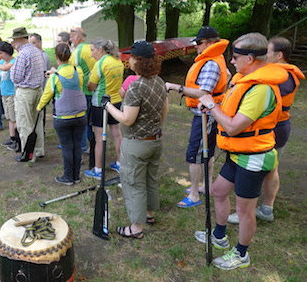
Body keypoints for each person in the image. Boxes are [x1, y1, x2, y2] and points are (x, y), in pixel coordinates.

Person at [194, 32, 288, 270]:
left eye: (235, 57)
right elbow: (228, 111)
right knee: (218, 190)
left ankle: (241, 253)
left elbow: (234, 127)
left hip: (254, 157)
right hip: (238, 154)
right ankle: (219, 236)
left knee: (245, 210)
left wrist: (211, 105)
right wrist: (212, 107)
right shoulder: (243, 81)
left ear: (250, 58)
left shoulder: (261, 90)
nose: (232, 62)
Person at [227, 36, 305, 224]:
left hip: (274, 128)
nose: (263, 55)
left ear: (278, 55)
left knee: (256, 169)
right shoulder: (274, 73)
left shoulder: (281, 77)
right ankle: (264, 209)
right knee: (270, 169)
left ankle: (252, 209)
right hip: (275, 127)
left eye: (267, 51)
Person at [104, 41, 168, 239]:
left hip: (136, 143)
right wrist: (155, 128)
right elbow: (164, 110)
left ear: (138, 61)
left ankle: (136, 228)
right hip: (155, 140)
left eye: (130, 56)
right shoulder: (159, 81)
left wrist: (108, 106)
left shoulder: (136, 87)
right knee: (150, 178)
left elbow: (127, 119)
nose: (128, 59)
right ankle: (149, 214)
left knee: (133, 183)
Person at [165, 26, 229, 208]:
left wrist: (174, 87)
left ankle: (194, 194)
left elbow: (203, 92)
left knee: (194, 155)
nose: (197, 47)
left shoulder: (211, 63)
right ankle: (205, 186)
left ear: (210, 43)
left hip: (206, 116)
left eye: (199, 44)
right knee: (206, 152)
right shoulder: (216, 59)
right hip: (208, 114)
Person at [37, 43, 86, 185]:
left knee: (66, 146)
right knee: (77, 145)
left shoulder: (54, 77)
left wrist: (39, 108)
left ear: (56, 57)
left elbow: (46, 95)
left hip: (62, 117)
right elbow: (80, 87)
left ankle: (68, 177)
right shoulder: (79, 71)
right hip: (80, 114)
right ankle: (76, 176)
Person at [84, 38, 123, 180]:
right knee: (117, 134)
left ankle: (98, 170)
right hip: (116, 101)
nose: (92, 54)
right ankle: (120, 163)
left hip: (100, 103)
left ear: (101, 49)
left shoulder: (100, 64)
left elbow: (91, 87)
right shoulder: (118, 60)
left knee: (99, 138)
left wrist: (88, 79)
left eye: (93, 51)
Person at [10, 27, 46, 162]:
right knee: (37, 123)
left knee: (25, 123)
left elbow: (17, 78)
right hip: (38, 90)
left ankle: (28, 154)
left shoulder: (23, 54)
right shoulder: (37, 51)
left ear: (20, 39)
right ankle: (38, 150)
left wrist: (12, 73)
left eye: (14, 40)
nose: (14, 43)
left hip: (25, 92)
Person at [69, 27, 97, 153]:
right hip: (96, 88)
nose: (70, 40)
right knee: (93, 121)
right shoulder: (93, 48)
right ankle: (93, 146)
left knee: (83, 121)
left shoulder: (77, 52)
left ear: (78, 37)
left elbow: (69, 71)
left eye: (71, 37)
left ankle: (84, 146)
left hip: (83, 90)